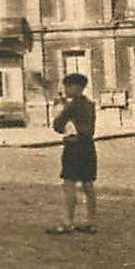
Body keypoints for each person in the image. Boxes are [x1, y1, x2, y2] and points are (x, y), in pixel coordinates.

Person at [48, 73, 98, 234]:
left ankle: (68, 221)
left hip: (73, 147)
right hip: (89, 146)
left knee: (69, 184)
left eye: (68, 86)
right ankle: (91, 221)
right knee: (88, 185)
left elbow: (58, 126)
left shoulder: (71, 105)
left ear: (76, 87)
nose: (66, 89)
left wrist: (59, 110)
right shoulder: (90, 104)